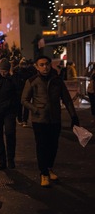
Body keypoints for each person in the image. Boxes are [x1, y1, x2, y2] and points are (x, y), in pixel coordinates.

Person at [21, 55, 80, 187]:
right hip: (39, 120)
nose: (45, 67)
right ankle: (44, 173)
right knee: (42, 146)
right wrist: (35, 109)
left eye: (46, 64)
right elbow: (24, 100)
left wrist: (74, 116)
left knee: (53, 146)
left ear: (50, 65)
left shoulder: (57, 81)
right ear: (36, 66)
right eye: (41, 65)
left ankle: (49, 167)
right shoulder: (32, 81)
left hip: (54, 119)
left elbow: (67, 100)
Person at [13, 59, 36, 126]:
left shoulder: (26, 72)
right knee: (22, 106)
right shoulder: (18, 72)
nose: (23, 66)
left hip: (23, 91)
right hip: (20, 91)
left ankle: (23, 120)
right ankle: (22, 120)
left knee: (24, 106)